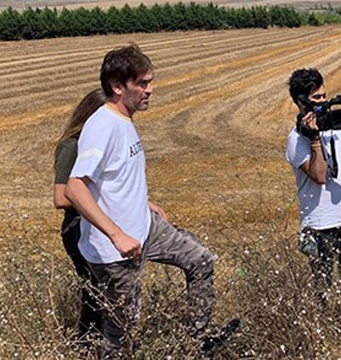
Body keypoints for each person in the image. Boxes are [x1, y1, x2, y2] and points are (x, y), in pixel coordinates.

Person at [64, 44, 237, 358]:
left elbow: (114, 178)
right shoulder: (103, 126)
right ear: (117, 86)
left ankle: (196, 345)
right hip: (114, 250)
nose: (150, 90)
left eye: (150, 82)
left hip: (145, 228)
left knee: (201, 261)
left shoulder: (124, 119)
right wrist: (116, 235)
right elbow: (74, 189)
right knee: (121, 332)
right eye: (142, 83)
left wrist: (144, 202)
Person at [285, 68, 341, 306]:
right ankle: (323, 327)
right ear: (300, 102)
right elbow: (320, 176)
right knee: (322, 284)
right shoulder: (296, 140)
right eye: (316, 98)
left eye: (324, 96)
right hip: (318, 224)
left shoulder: (336, 129)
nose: (323, 102)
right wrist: (314, 140)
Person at [53, 88, 106, 340]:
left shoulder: (93, 146)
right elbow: (61, 198)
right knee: (95, 293)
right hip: (77, 230)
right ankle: (87, 345)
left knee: (103, 291)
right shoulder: (71, 147)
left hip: (95, 227)